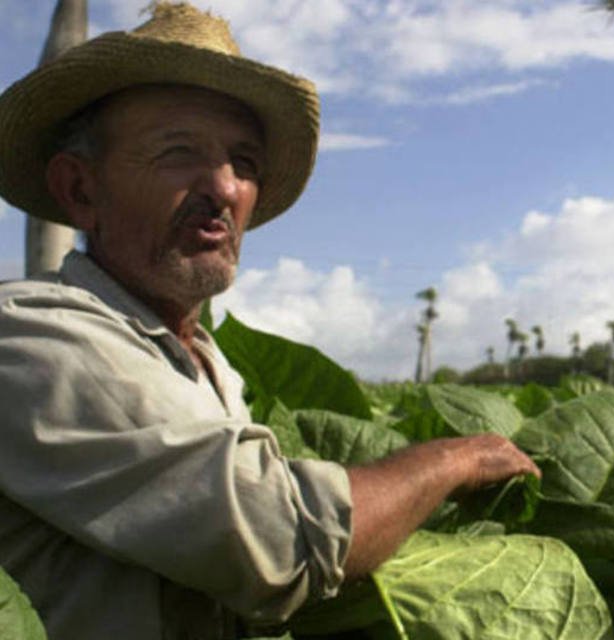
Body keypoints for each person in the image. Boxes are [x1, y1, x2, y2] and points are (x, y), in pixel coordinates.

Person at [0, 4, 540, 639]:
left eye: (245, 163)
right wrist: (455, 460)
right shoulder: (32, 339)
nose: (225, 188)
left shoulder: (208, 362)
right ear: (80, 190)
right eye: (179, 152)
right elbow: (281, 538)